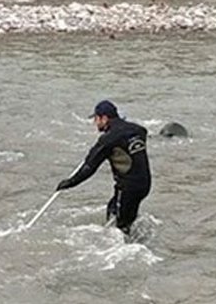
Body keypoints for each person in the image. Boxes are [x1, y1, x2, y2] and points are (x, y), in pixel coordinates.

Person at [54, 100, 151, 235]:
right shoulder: (137, 130)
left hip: (128, 188)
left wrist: (69, 183)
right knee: (113, 209)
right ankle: (134, 238)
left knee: (121, 227)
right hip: (145, 184)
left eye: (96, 119)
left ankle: (124, 250)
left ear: (104, 118)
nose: (95, 123)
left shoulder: (108, 140)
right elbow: (139, 134)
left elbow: (89, 168)